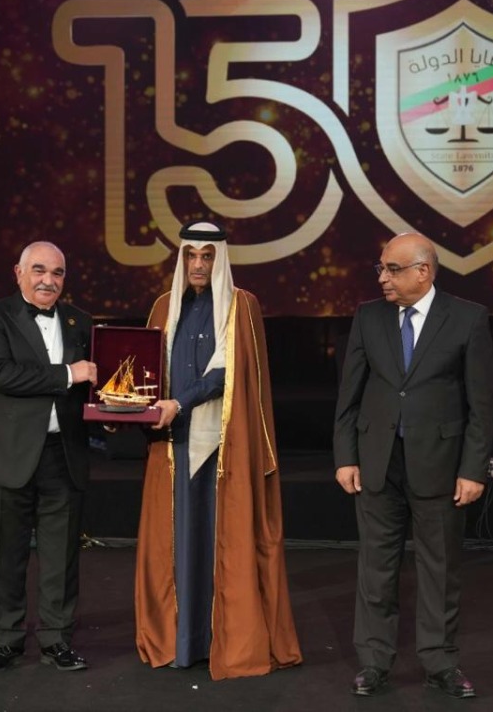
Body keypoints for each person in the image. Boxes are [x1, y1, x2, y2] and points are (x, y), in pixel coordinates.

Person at [134, 221, 303, 680]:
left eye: (208, 257)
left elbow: (229, 373)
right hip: (172, 446)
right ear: (181, 259)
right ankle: (181, 642)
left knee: (219, 542)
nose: (199, 265)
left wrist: (179, 402)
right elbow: (145, 374)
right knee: (180, 544)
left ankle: (226, 640)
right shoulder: (164, 307)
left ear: (220, 260)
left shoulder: (241, 307)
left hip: (224, 448)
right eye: (191, 256)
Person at [333, 232, 493, 700]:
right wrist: (345, 456)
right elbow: (350, 394)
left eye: (392, 269)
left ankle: (440, 663)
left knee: (439, 570)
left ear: (423, 271)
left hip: (441, 466)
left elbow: (481, 405)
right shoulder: (368, 317)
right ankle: (374, 663)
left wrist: (474, 469)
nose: (382, 277)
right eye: (380, 268)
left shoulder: (467, 319)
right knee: (376, 568)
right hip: (377, 462)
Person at [0, 241, 97, 675]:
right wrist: (67, 374)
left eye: (58, 273)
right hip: (9, 455)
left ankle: (57, 640)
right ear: (18, 272)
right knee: (6, 552)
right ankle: (5, 641)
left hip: (64, 453)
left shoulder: (81, 320)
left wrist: (114, 411)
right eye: (39, 270)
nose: (48, 280)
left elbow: (94, 385)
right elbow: (0, 375)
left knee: (61, 555)